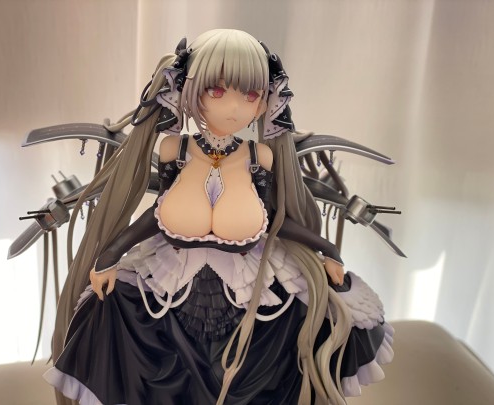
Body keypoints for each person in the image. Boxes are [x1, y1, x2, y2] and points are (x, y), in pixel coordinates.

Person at [45, 29, 394, 405]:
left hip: (250, 280)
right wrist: (111, 253)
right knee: (113, 313)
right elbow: (158, 213)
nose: (234, 107)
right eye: (217, 91)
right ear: (189, 91)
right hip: (171, 273)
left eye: (250, 95)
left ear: (265, 102)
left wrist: (327, 250)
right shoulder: (175, 149)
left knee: (300, 330)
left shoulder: (259, 156)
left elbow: (273, 218)